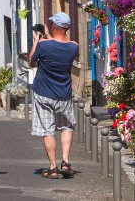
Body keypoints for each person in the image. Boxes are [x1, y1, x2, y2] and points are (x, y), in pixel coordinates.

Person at [29, 12, 79, 179]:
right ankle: (65, 161)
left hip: (43, 93)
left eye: (52, 25)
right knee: (66, 127)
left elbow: (32, 61)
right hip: (63, 94)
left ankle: (52, 167)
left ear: (55, 26)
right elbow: (59, 46)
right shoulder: (74, 46)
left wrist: (37, 41)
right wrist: (49, 36)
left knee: (47, 130)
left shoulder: (43, 45)